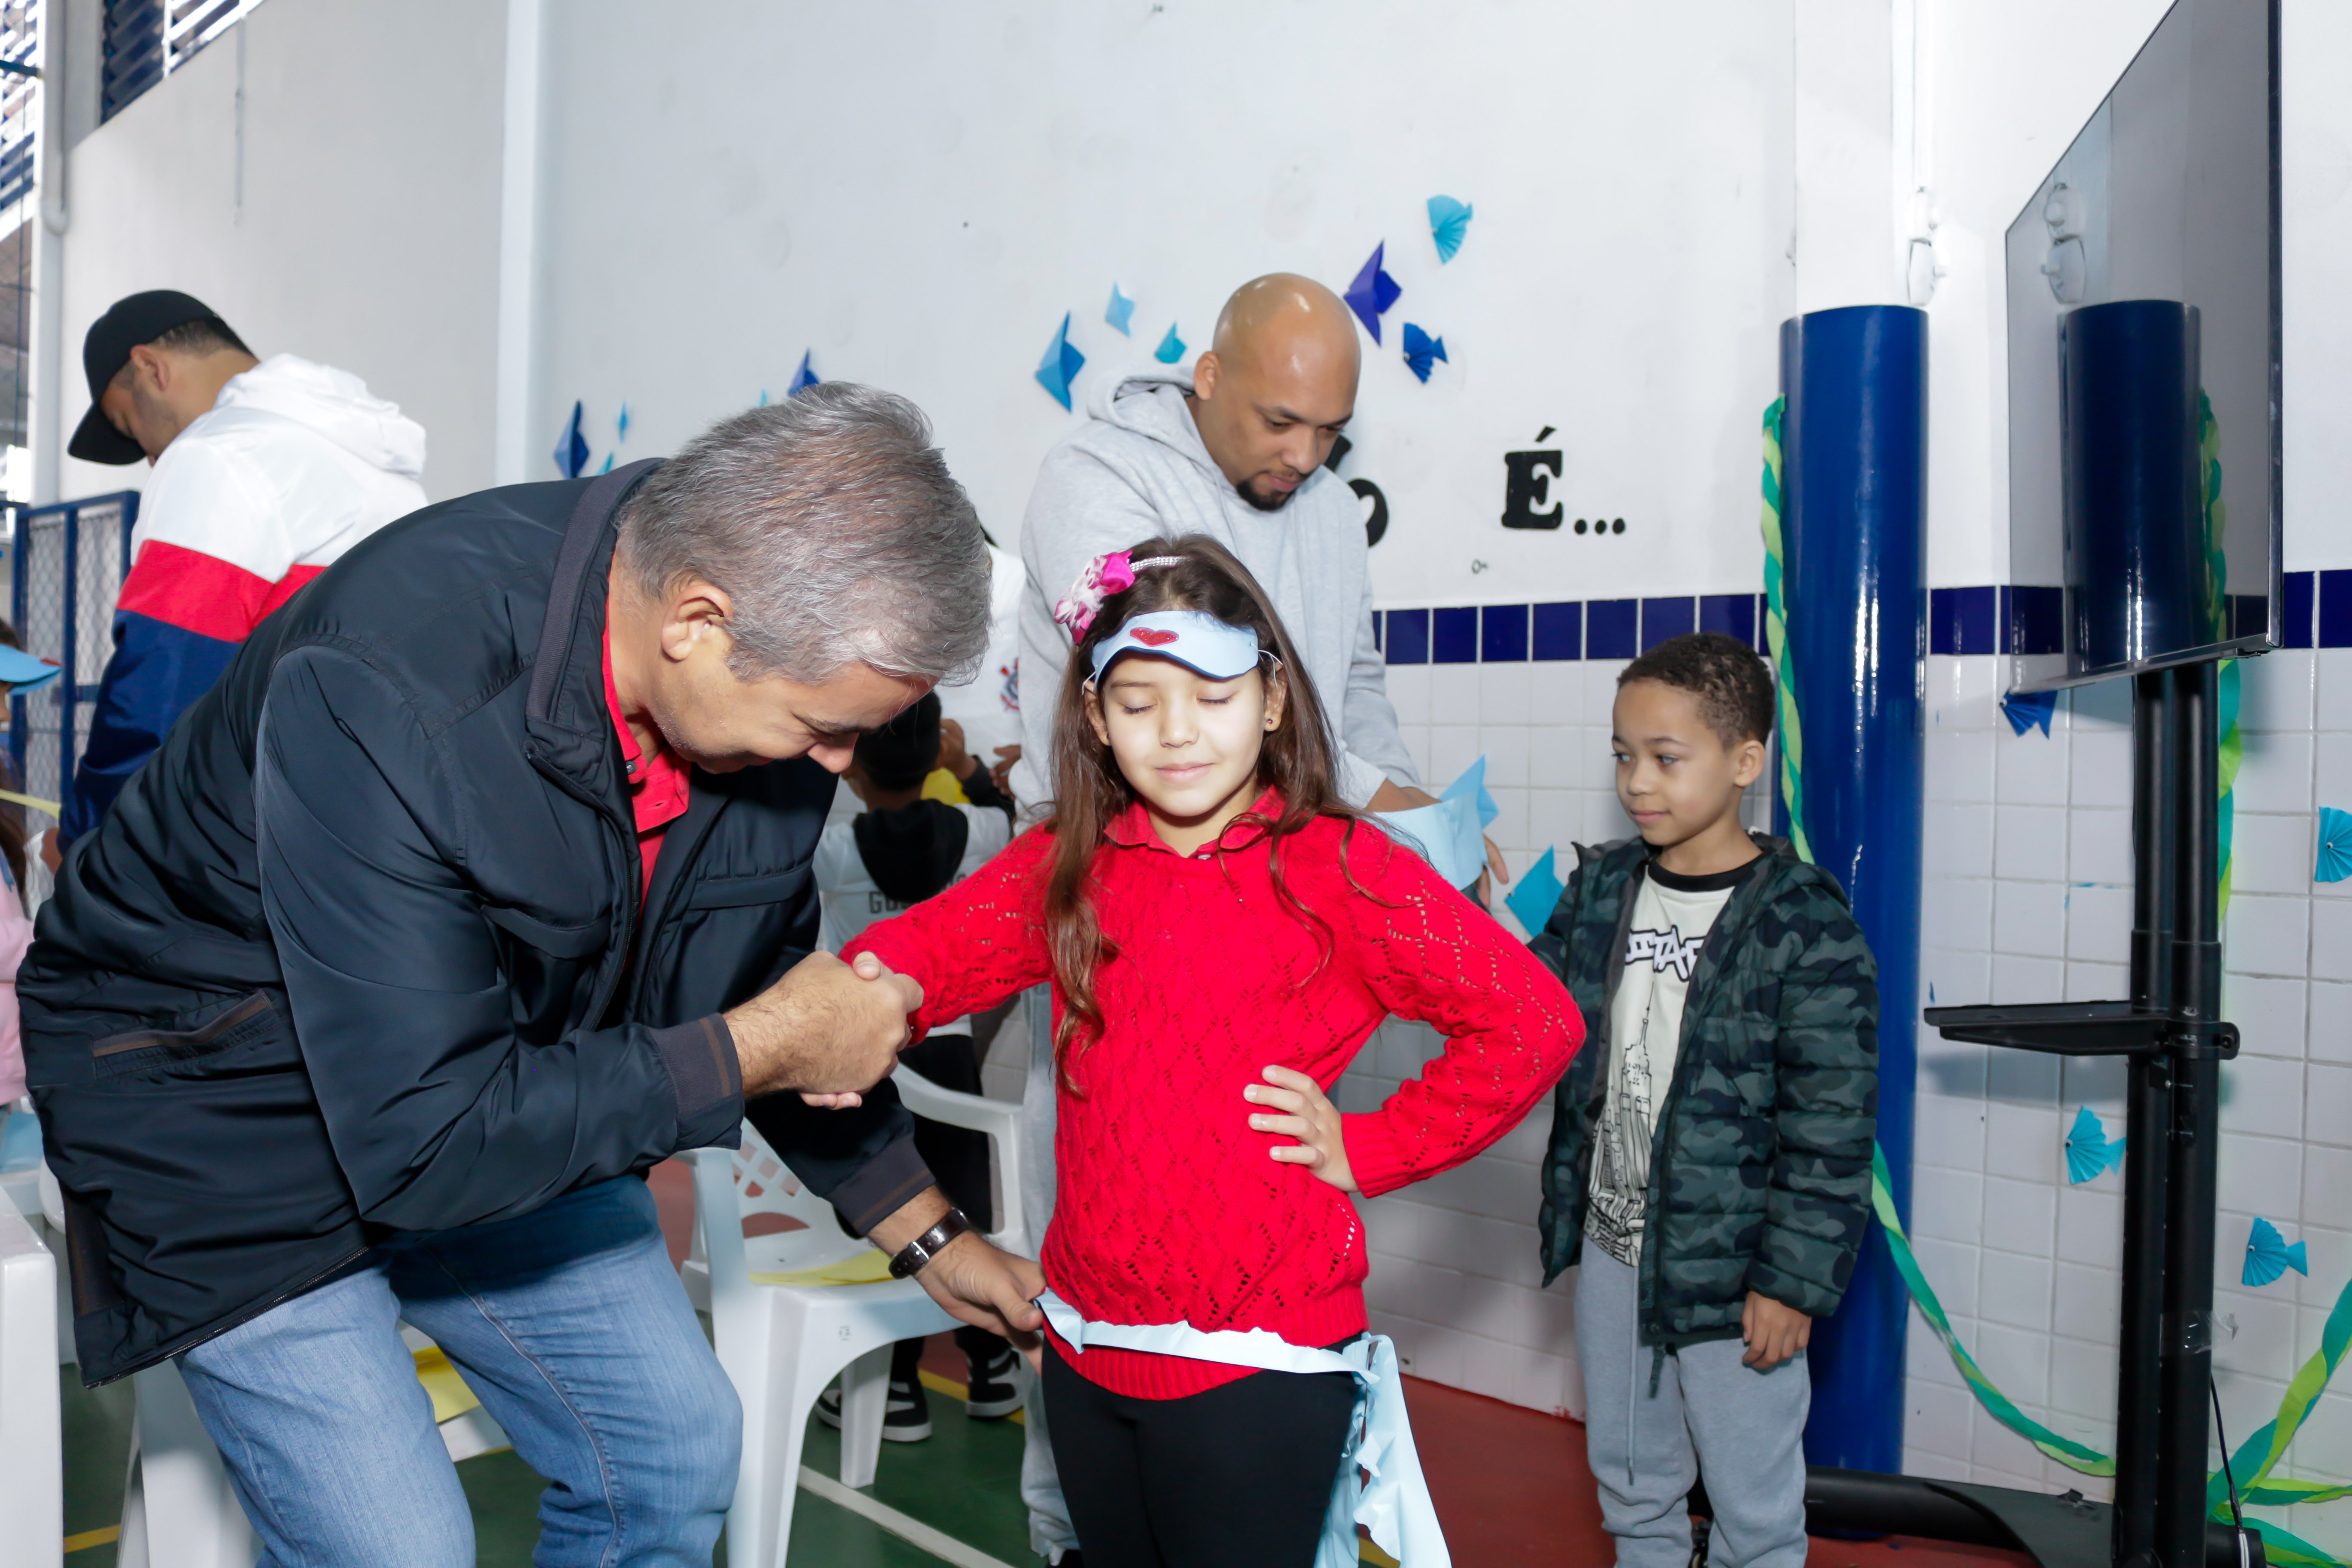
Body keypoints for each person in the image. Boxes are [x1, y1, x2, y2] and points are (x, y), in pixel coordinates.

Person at [19, 386, 1046, 1568]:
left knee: (674, 1450)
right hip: (219, 1095)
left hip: (487, 1077)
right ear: (699, 621)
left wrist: (931, 1234)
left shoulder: (755, 663)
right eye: (824, 725)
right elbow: (440, 1133)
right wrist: (762, 1045)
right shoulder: (394, 680)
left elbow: (750, 972)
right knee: (401, 1551)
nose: (836, 763)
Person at [843, 536, 1581, 1568]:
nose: (1178, 731)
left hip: (1262, 1361)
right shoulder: (1067, 861)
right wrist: (866, 994)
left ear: (1272, 700)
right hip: (1087, 1345)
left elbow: (1534, 1021)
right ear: (1095, 716)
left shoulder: (1344, 867)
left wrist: (1370, 1146)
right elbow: (932, 949)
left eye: (1214, 697)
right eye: (1139, 703)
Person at [999, 273, 1494, 1563]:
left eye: (1331, 432)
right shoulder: (1095, 478)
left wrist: (1417, 813)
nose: (1306, 456)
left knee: (1260, 1200)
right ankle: (1070, 1530)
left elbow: (1353, 689)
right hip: (1121, 906)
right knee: (1100, 1232)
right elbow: (1161, 659)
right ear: (1209, 377)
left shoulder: (1323, 509)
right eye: (1283, 422)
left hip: (1275, 910)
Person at [1527, 632, 1879, 1568]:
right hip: (1615, 1249)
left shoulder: (1803, 923)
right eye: (1623, 756)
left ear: (1745, 762)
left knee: (1752, 1506)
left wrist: (1790, 1283)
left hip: (1734, 1273)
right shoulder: (1602, 889)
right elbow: (1524, 1011)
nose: (1637, 782)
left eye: (1666, 758)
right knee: (1631, 1480)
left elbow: (1832, 1125)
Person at [57, 289, 429, 848]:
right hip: (382, 823)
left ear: (151, 368)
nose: (152, 459)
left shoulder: (217, 455)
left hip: (267, 840)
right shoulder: (381, 470)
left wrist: (91, 839)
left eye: (129, 425)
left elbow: (162, 683)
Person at [812, 692, 1022, 1441]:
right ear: (934, 754)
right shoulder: (982, 830)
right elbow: (1007, 815)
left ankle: (894, 1389)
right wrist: (967, 770)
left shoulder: (834, 849)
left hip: (874, 1059)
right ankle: (992, 1369)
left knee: (890, 1210)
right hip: (953, 1053)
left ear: (852, 767)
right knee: (964, 1210)